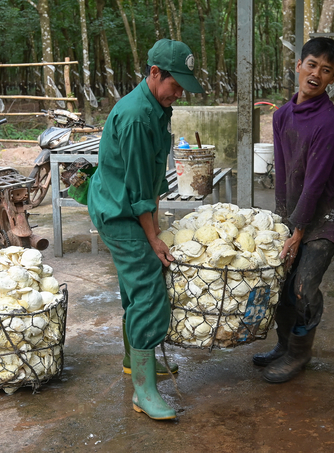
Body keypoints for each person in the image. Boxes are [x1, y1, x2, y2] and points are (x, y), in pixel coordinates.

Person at [87, 38, 204, 420]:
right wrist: (153, 236)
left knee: (136, 287)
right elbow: (138, 191)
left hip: (126, 203)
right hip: (118, 212)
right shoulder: (138, 116)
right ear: (155, 73)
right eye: (176, 84)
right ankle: (144, 390)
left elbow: (150, 178)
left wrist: (154, 223)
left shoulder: (157, 106)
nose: (180, 93)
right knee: (150, 287)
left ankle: (133, 361)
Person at [252, 37, 334, 383]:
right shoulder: (283, 115)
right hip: (295, 213)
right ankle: (283, 346)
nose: (316, 74)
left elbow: (315, 182)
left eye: (326, 70)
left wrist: (298, 232)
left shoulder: (329, 122)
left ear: (332, 78)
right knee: (282, 283)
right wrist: (283, 221)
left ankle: (298, 354)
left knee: (303, 287)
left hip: (325, 218)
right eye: (311, 65)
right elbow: (282, 171)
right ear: (299, 66)